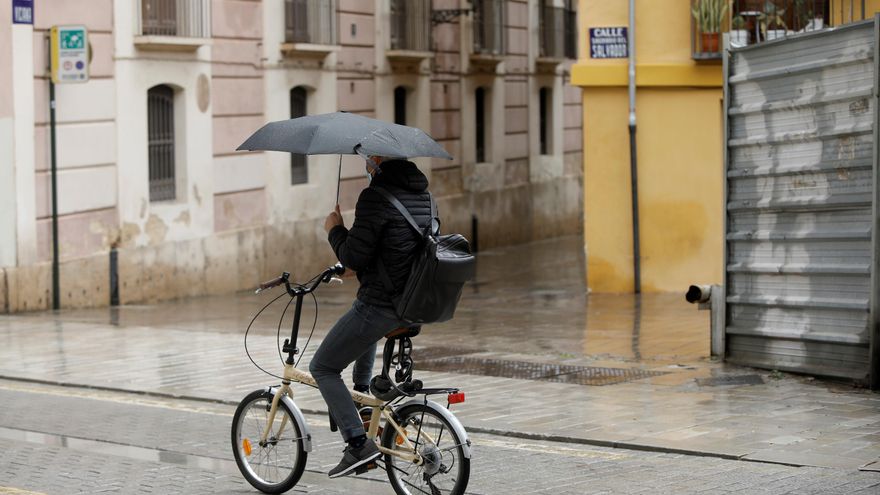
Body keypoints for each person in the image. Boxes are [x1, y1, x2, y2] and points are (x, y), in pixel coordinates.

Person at [312, 154, 434, 478]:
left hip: (381, 306)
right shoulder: (424, 196)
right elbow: (402, 249)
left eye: (368, 161)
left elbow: (353, 253)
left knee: (322, 367)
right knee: (362, 329)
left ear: (379, 162)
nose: (366, 167)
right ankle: (364, 398)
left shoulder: (375, 197)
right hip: (412, 305)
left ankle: (357, 445)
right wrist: (365, 268)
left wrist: (335, 230)